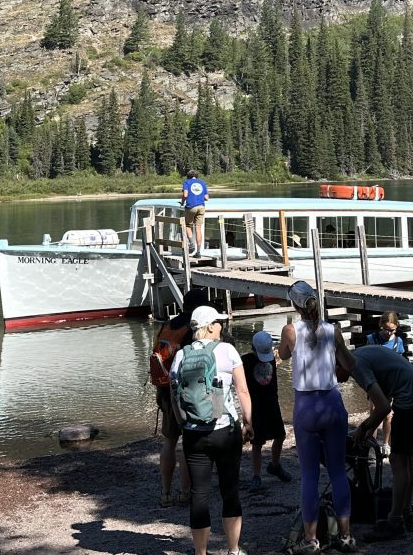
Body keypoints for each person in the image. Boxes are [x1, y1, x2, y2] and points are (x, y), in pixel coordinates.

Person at [278, 281, 357, 555]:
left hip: (306, 407)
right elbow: (350, 364)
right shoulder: (332, 330)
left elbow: (283, 355)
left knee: (310, 475)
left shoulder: (290, 330)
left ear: (295, 305)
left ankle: (311, 541)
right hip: (332, 403)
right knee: (337, 471)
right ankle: (346, 536)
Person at [171, 305, 253, 555]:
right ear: (208, 326)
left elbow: (175, 396)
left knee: (199, 494)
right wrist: (249, 422)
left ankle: (201, 553)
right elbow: (242, 391)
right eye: (218, 322)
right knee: (230, 489)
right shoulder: (227, 350)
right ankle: (234, 549)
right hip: (224, 430)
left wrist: (183, 425)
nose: (221, 326)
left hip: (194, 433)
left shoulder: (181, 355)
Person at [337, 345, 413, 541]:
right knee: (406, 459)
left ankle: (395, 522)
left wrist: (362, 429)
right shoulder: (358, 355)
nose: (334, 379)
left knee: (398, 460)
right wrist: (369, 430)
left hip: (410, 400)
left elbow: (383, 407)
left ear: (339, 363)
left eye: (332, 371)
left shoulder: (357, 366)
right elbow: (384, 397)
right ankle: (405, 513)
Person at [153, 287, 209, 507]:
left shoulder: (167, 325)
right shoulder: (192, 329)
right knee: (188, 442)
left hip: (164, 389)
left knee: (169, 441)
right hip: (186, 391)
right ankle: (186, 491)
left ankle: (165, 492)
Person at [241, 330, 292, 491]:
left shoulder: (271, 359)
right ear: (253, 348)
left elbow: (274, 379)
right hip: (255, 406)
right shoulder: (245, 361)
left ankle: (275, 465)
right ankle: (256, 475)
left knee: (281, 435)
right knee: (257, 442)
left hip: (271, 403)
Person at [365, 311, 406, 456]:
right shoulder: (372, 339)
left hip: (391, 383)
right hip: (375, 381)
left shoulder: (398, 342)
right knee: (375, 412)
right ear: (380, 326)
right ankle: (371, 444)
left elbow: (400, 363)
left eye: (392, 330)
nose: (389, 333)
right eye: (386, 329)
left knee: (388, 414)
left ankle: (386, 444)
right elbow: (366, 360)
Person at [181, 171, 209, 256]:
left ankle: (191, 243)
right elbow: (206, 198)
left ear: (188, 176)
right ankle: (199, 252)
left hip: (191, 206)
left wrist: (182, 202)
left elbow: (185, 195)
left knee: (186, 224)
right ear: (196, 176)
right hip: (201, 207)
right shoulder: (202, 183)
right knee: (198, 228)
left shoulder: (187, 182)